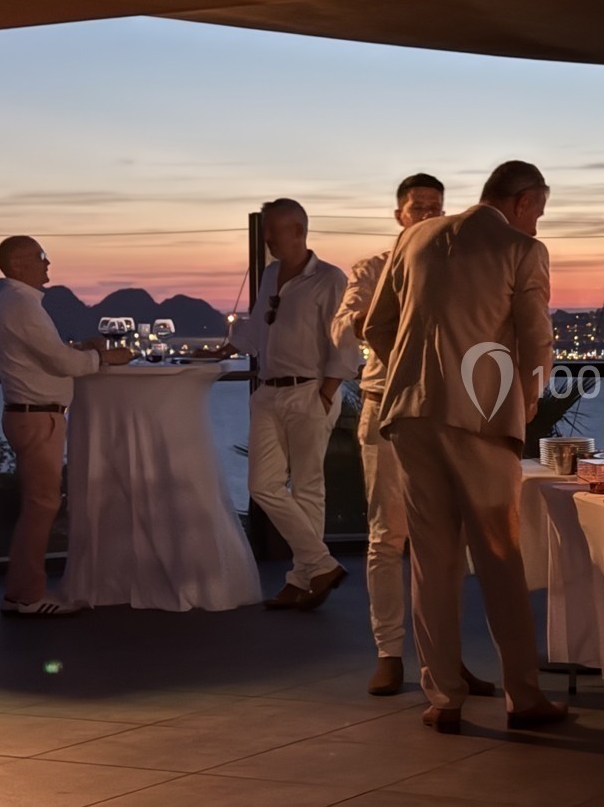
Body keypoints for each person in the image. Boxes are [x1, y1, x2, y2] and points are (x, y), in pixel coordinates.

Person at [365, 160, 566, 733]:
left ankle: (443, 697)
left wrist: (412, 376)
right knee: (500, 556)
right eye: (539, 213)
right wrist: (519, 406)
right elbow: (536, 342)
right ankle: (523, 697)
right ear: (524, 201)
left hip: (408, 415)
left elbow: (376, 327)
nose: (537, 224)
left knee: (431, 560)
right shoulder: (522, 249)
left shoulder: (415, 237)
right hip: (479, 421)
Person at [332, 174, 496, 699]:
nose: (427, 214)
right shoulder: (372, 268)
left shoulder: (459, 270)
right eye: (417, 207)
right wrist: (391, 310)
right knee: (387, 537)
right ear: (399, 214)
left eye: (435, 207)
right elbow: (345, 327)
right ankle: (389, 652)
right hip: (385, 409)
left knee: (445, 544)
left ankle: (444, 659)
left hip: (445, 413)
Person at [211, 199, 359, 611]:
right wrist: (227, 348)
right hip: (270, 392)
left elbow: (342, 341)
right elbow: (260, 324)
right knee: (263, 485)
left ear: (298, 230)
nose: (267, 238)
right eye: (265, 231)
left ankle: (302, 578)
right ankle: (320, 565)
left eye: (272, 230)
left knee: (309, 487)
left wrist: (326, 392)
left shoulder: (329, 279)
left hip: (309, 391)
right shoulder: (272, 274)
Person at [0, 235, 132, 616]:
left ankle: (20, 592)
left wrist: (84, 350)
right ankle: (26, 597)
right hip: (36, 416)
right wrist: (103, 358)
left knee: (38, 504)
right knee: (42, 504)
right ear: (18, 265)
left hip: (30, 414)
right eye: (41, 257)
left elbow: (48, 355)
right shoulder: (21, 304)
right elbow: (61, 364)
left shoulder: (15, 303)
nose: (48, 263)